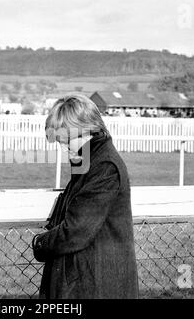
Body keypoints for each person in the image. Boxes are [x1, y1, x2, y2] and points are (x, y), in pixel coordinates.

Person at [32, 94, 139, 299]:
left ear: (86, 130)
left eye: (66, 140)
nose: (63, 148)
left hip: (97, 284)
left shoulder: (104, 167)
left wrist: (40, 243)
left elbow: (75, 231)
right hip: (88, 279)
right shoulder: (91, 161)